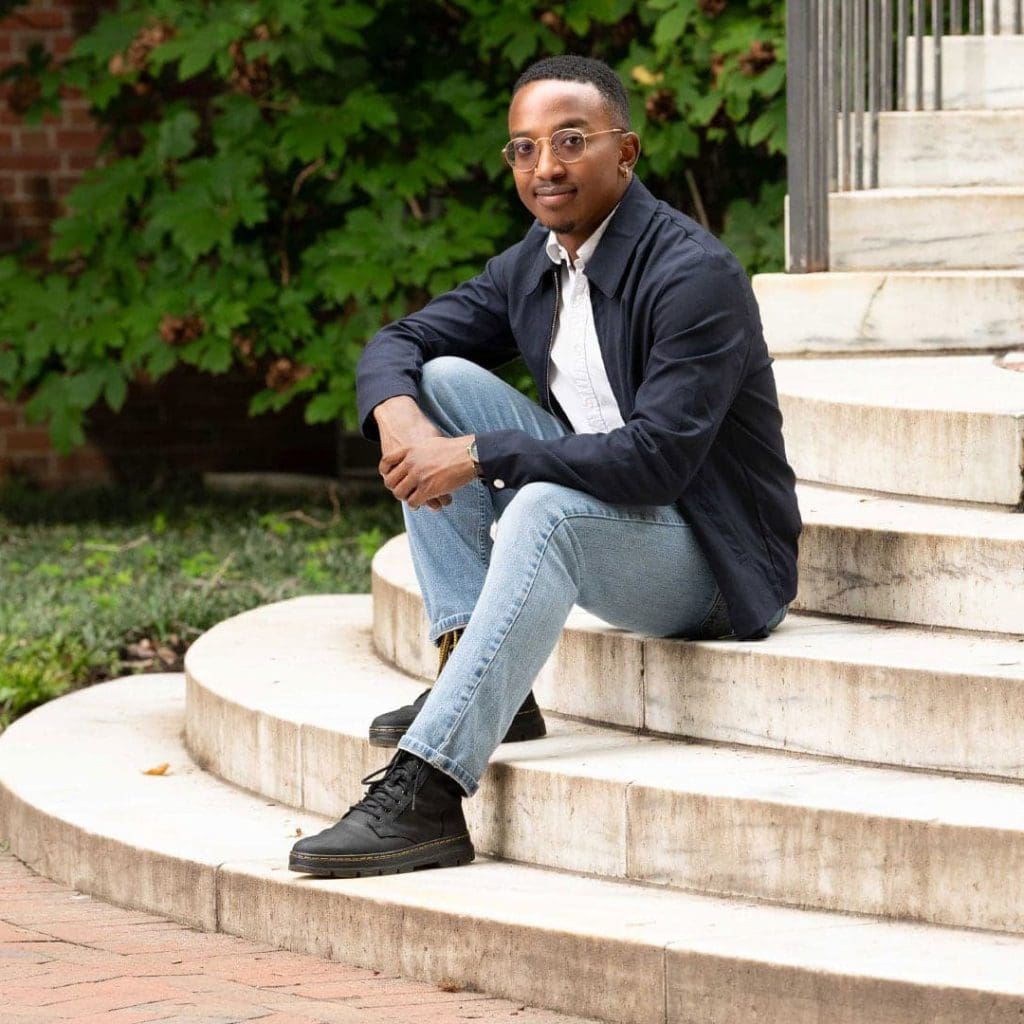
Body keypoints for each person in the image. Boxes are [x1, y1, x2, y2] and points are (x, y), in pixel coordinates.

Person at [289, 55, 800, 879]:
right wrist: (401, 418)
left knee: (541, 508)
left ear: (625, 153)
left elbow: (655, 463)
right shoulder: (536, 262)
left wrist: (481, 453)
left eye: (569, 141)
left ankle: (426, 795)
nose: (545, 167)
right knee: (438, 382)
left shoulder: (690, 274)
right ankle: (482, 676)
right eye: (523, 149)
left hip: (712, 559)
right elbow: (397, 344)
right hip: (618, 514)